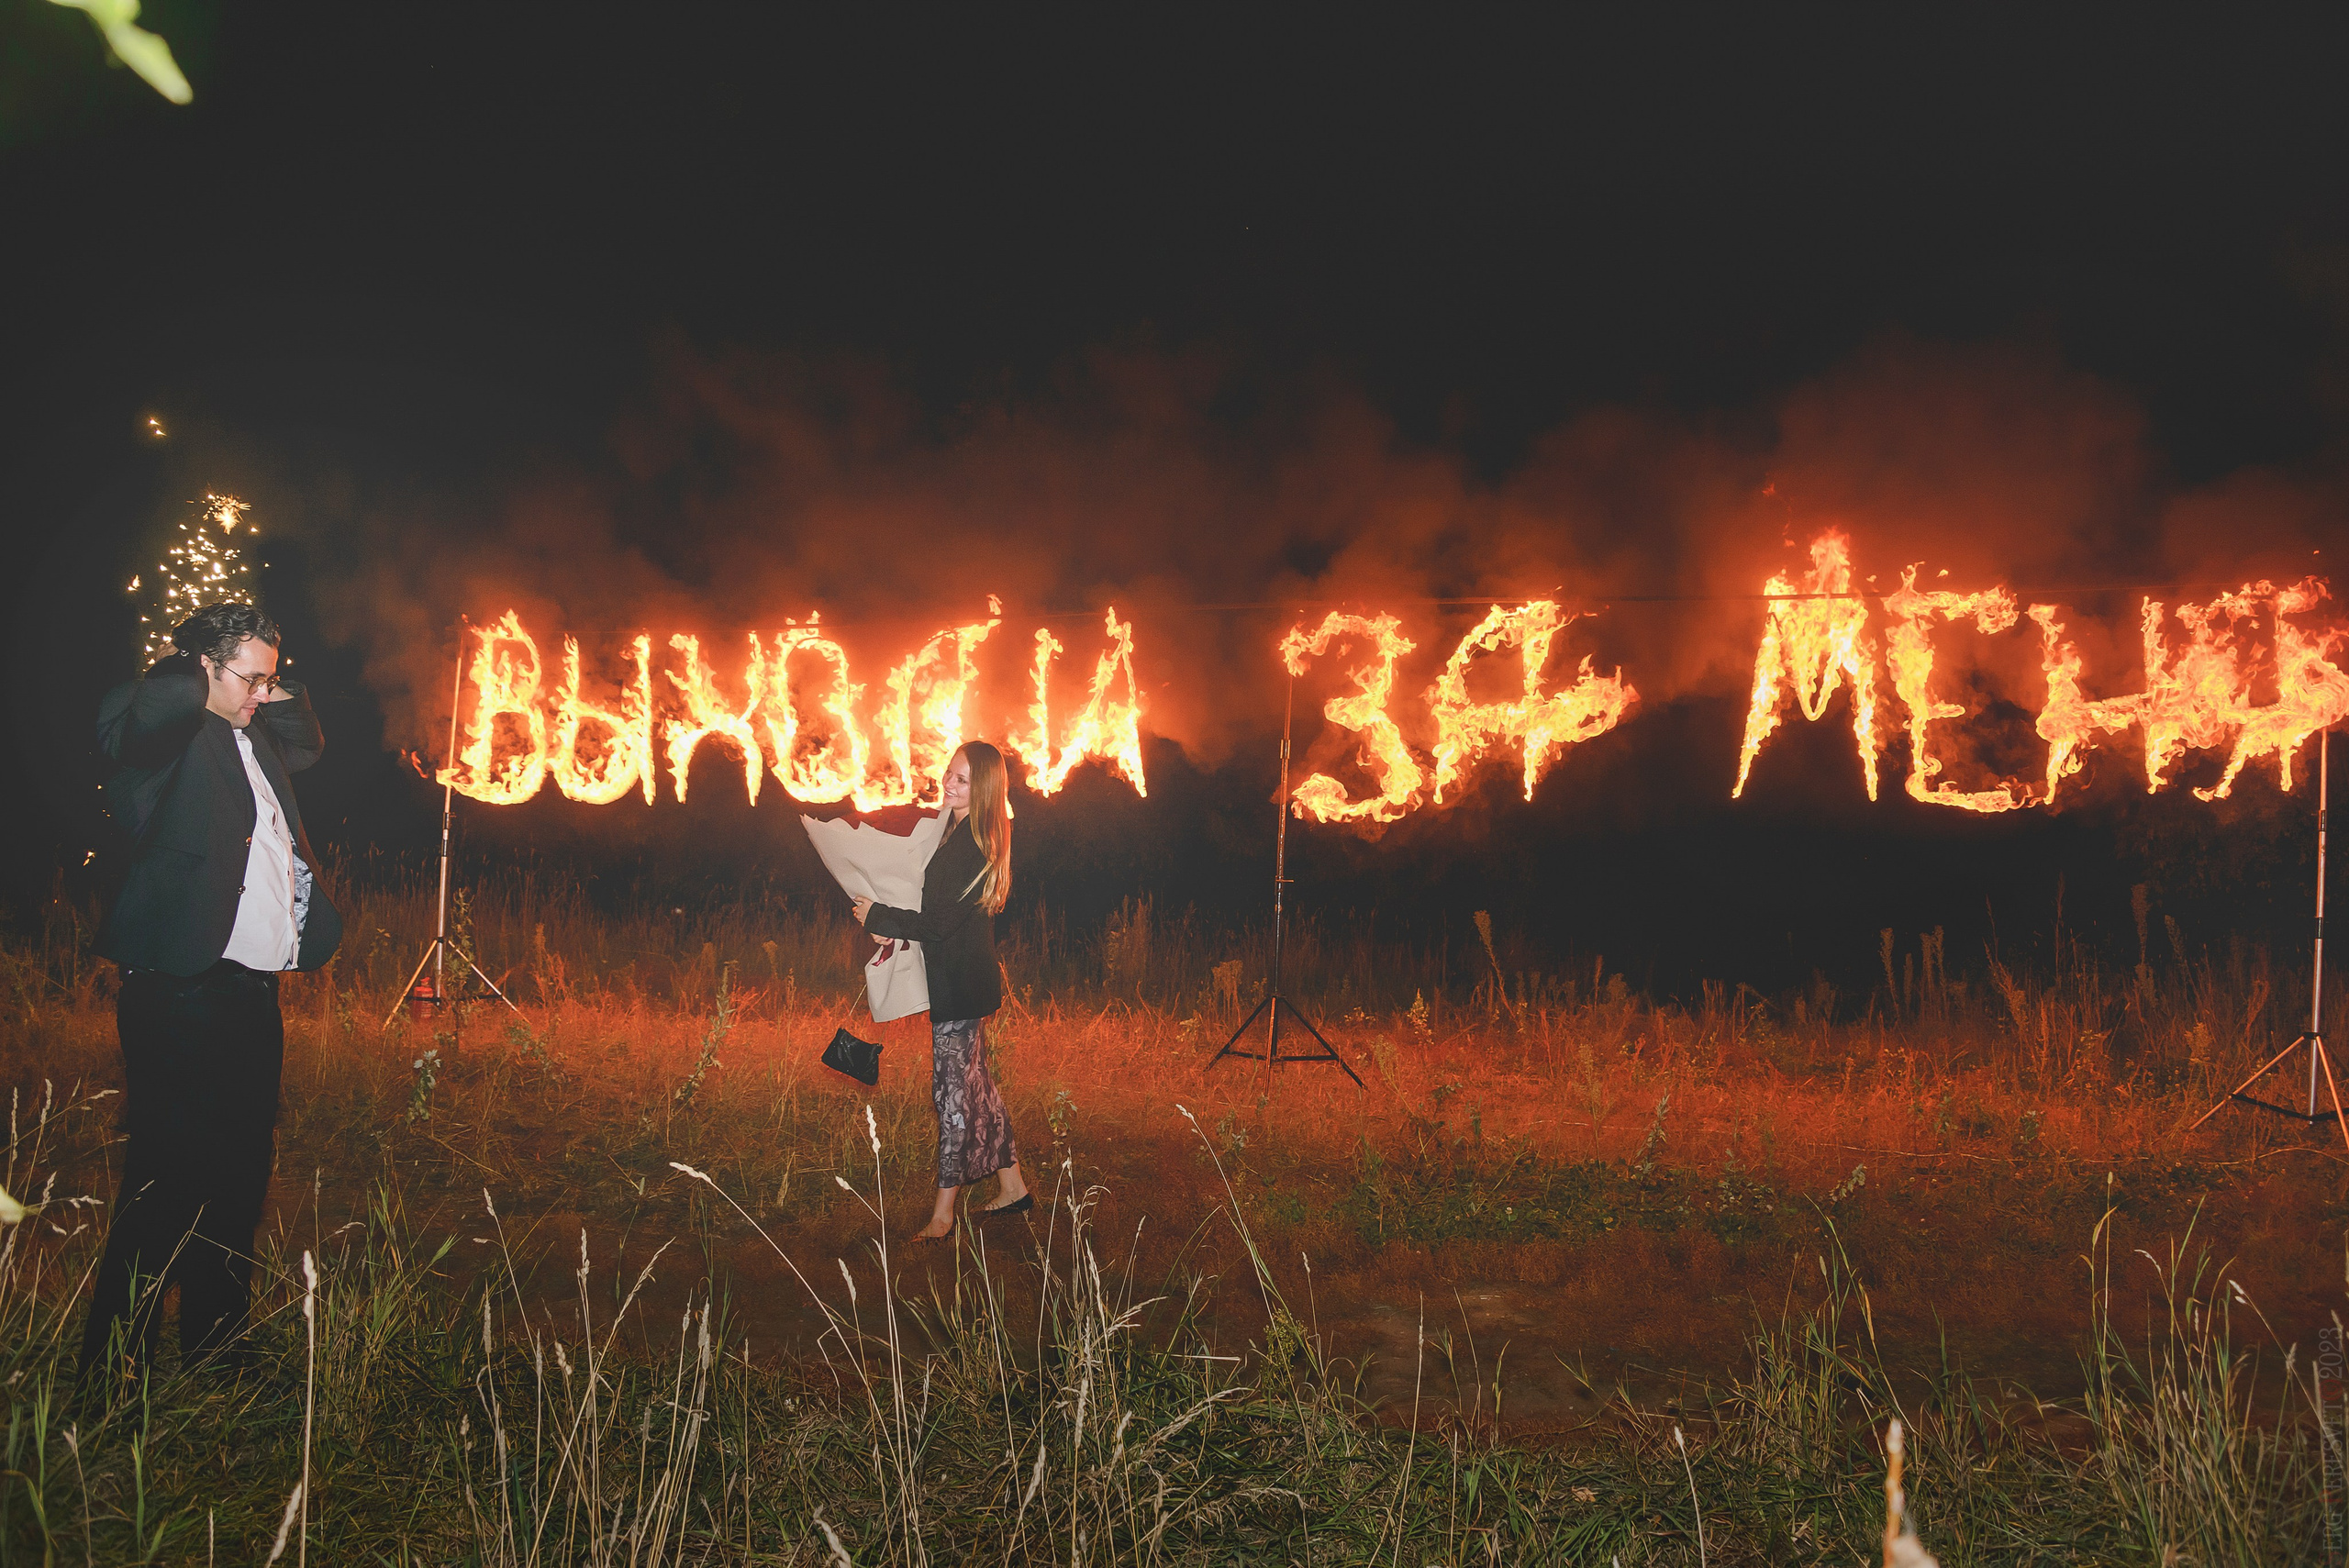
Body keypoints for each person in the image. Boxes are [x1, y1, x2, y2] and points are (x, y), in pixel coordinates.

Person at [79, 601, 342, 1391]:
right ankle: (114, 1372)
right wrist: (199, 667)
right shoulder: (160, 730)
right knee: (165, 1182)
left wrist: (262, 673)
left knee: (237, 1182)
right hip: (181, 995)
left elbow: (310, 739)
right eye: (249, 678)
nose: (263, 694)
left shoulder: (255, 735)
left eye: (268, 680)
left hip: (250, 1002)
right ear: (201, 667)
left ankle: (219, 1353)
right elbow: (141, 720)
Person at [850, 740, 1030, 1240]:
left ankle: (942, 1215)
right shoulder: (954, 828)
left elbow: (941, 923)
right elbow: (935, 910)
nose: (949, 784)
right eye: (950, 773)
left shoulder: (972, 845)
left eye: (963, 780)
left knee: (952, 1098)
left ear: (985, 789)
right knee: (978, 1091)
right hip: (966, 982)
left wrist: (879, 916)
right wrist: (893, 926)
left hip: (961, 988)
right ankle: (1013, 1188)